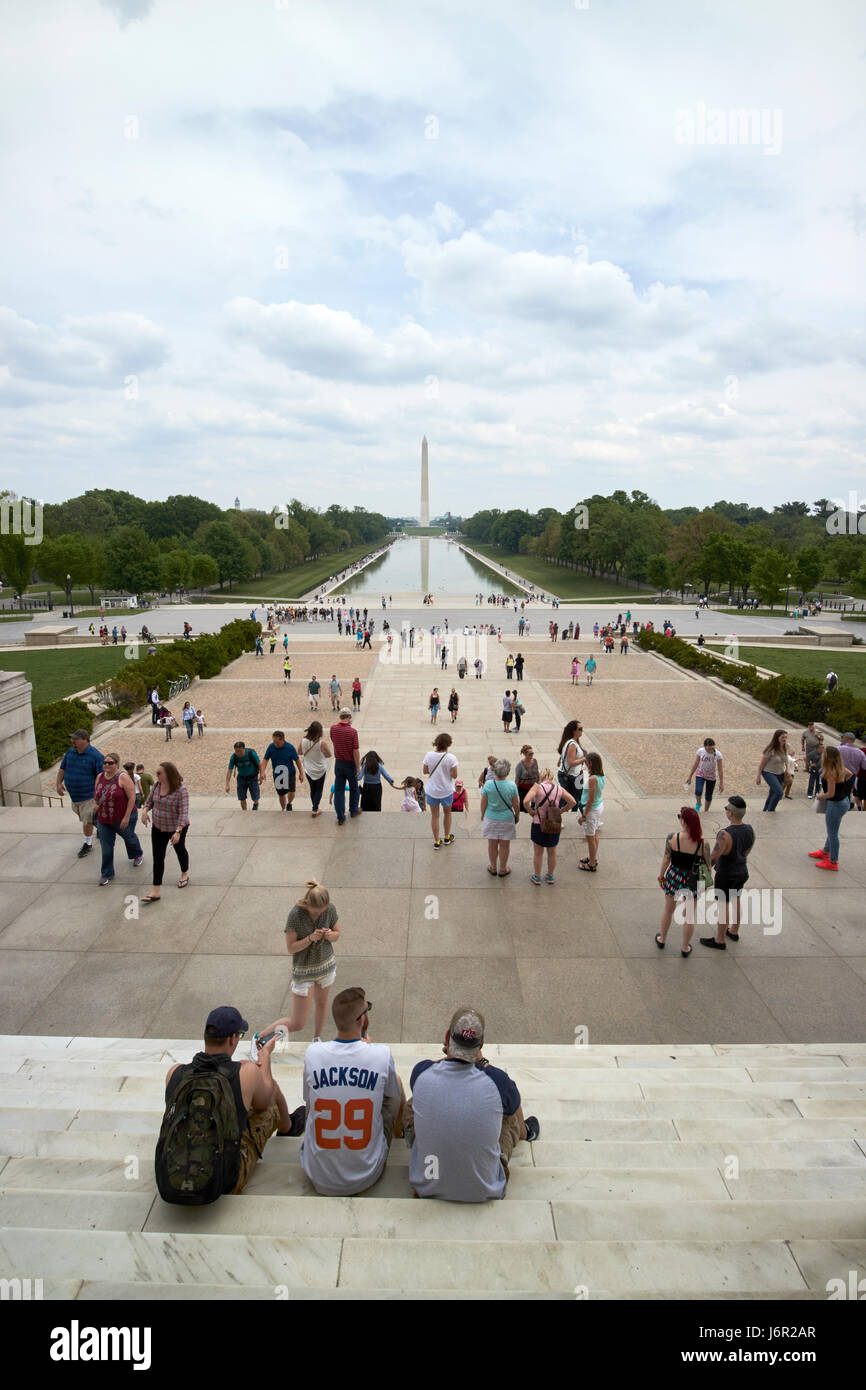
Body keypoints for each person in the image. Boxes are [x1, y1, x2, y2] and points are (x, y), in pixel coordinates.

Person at [157, 1007, 302, 1204]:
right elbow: (265, 1100)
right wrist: (265, 1059)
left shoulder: (174, 1073)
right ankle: (289, 1127)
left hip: (170, 1181)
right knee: (270, 1092)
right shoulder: (245, 1072)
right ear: (233, 1039)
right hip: (222, 1182)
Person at [405, 1007, 539, 1201]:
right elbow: (510, 1098)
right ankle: (525, 1131)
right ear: (480, 1045)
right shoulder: (497, 1082)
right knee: (509, 1115)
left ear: (446, 1037)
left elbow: (437, 1068)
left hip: (427, 1184)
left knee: (415, 1101)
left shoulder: (422, 1072)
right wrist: (482, 1061)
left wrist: (450, 1054)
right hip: (484, 1189)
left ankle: (409, 1138)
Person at [295, 988, 404, 1196]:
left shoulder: (313, 1053)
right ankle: (398, 1138)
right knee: (395, 1084)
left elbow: (307, 1099)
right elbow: (390, 1095)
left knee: (314, 1094)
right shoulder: (381, 1054)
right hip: (367, 1174)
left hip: (317, 1175)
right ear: (361, 1020)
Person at [267, 881, 341, 1041]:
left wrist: (330, 935)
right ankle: (260, 1037)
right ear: (309, 904)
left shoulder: (329, 909)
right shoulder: (295, 915)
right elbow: (291, 948)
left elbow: (337, 933)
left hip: (325, 966)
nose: (320, 913)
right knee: (298, 1022)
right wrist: (310, 938)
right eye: (317, 910)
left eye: (323, 909)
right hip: (304, 972)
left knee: (322, 1003)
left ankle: (317, 1038)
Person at [700, 796, 755, 949]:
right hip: (742, 871)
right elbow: (747, 851)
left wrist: (704, 871)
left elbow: (714, 858)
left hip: (726, 873)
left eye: (726, 808)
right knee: (736, 899)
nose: (725, 810)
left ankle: (719, 939)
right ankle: (734, 931)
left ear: (730, 813)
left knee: (723, 904)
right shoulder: (750, 829)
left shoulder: (724, 834)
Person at [655, 807, 710, 957]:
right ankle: (685, 947)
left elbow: (666, 859)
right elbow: (708, 868)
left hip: (674, 876)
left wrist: (661, 876)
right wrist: (703, 887)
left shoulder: (673, 838)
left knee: (668, 910)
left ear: (683, 821)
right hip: (692, 880)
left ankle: (662, 939)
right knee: (689, 916)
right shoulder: (703, 844)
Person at [140, 761, 190, 901]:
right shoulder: (156, 786)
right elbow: (149, 802)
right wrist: (144, 812)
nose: (156, 775)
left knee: (180, 850)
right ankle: (155, 890)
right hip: (158, 827)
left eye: (159, 773)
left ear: (168, 774)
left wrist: (178, 831)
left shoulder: (181, 790)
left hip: (176, 828)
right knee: (158, 857)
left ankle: (184, 873)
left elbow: (183, 812)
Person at [93, 752, 144, 886]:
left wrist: (126, 817)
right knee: (106, 847)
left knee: (129, 838)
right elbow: (96, 794)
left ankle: (136, 854)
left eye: (110, 763)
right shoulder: (100, 776)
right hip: (104, 820)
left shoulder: (123, 778)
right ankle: (106, 873)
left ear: (117, 764)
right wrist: (95, 804)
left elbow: (132, 797)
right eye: (105, 763)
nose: (107, 765)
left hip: (122, 817)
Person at [56, 728, 104, 859]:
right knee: (86, 817)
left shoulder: (95, 756)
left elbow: (102, 776)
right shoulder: (70, 753)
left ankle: (87, 844)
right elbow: (62, 768)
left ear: (85, 740)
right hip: (75, 797)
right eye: (72, 738)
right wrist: (58, 784)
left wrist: (98, 795)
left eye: (76, 739)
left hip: (89, 796)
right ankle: (101, 826)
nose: (73, 741)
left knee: (86, 820)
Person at [525, 766, 574, 884]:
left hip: (539, 823)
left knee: (538, 852)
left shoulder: (537, 787)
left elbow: (526, 801)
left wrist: (531, 811)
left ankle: (537, 877)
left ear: (541, 777)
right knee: (552, 852)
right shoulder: (559, 788)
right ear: (551, 777)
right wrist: (562, 810)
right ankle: (550, 876)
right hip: (554, 823)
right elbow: (572, 802)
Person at [812, 746, 855, 871]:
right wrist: (844, 788)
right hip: (844, 801)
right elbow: (850, 774)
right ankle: (825, 851)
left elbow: (830, 794)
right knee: (833, 829)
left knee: (832, 833)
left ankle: (833, 861)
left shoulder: (830, 773)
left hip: (835, 804)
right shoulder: (840, 768)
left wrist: (820, 796)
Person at [480, 757, 519, 877]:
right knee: (504, 845)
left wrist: (482, 814)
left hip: (491, 818)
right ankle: (502, 868)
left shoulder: (488, 785)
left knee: (492, 844)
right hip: (506, 818)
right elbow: (516, 804)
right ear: (507, 772)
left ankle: (493, 866)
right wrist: (516, 815)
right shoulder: (512, 786)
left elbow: (483, 803)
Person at [423, 731, 459, 849]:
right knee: (447, 813)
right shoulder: (451, 758)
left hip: (432, 790)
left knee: (435, 816)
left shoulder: (429, 755)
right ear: (448, 744)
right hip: (446, 790)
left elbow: (425, 771)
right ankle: (447, 837)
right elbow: (454, 775)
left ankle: (437, 841)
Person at [261, 730, 305, 812]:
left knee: (291, 791)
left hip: (290, 773)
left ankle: (289, 803)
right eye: (274, 742)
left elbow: (297, 760)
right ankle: (283, 809)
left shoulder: (290, 748)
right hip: (278, 775)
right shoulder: (271, 747)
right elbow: (265, 759)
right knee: (281, 794)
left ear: (283, 740)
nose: (275, 744)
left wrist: (301, 773)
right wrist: (262, 772)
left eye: (277, 742)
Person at [330, 708, 361, 825]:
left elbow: (334, 741)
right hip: (350, 764)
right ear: (349, 717)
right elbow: (355, 751)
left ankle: (340, 816)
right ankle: (353, 810)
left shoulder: (333, 729)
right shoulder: (353, 732)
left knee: (338, 790)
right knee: (354, 788)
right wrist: (358, 767)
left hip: (339, 763)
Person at [577, 751, 605, 872]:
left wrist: (583, 815)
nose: (585, 765)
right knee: (594, 834)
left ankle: (592, 864)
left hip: (592, 810)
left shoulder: (593, 779)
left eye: (586, 763)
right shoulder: (601, 776)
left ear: (591, 764)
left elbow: (590, 799)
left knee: (590, 837)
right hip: (598, 807)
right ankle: (592, 857)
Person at [300, 720, 332, 817]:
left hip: (308, 769)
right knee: (319, 789)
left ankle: (315, 807)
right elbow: (329, 755)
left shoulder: (303, 741)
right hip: (320, 769)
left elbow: (299, 752)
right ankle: (315, 808)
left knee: (313, 789)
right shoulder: (322, 743)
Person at [686, 737, 724, 813]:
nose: (710, 750)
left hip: (711, 777)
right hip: (701, 774)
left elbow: (720, 769)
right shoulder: (701, 751)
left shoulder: (718, 754)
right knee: (698, 791)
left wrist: (721, 783)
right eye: (708, 749)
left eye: (711, 748)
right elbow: (696, 763)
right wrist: (690, 776)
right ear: (704, 747)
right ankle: (698, 803)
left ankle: (706, 810)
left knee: (708, 796)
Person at [756, 730, 788, 812]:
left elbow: (786, 758)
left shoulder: (785, 747)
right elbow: (761, 764)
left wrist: (787, 769)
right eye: (782, 737)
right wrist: (758, 776)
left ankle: (765, 810)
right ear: (777, 738)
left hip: (780, 773)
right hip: (768, 772)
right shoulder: (771, 749)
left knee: (772, 793)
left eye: (785, 737)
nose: (784, 739)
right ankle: (771, 810)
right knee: (779, 792)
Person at [557, 719, 586, 809]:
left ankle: (560, 816)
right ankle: (556, 817)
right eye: (580, 729)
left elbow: (563, 759)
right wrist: (585, 758)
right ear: (574, 731)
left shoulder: (571, 741)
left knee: (571, 798)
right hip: (572, 776)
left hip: (573, 774)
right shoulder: (572, 744)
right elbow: (571, 762)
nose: (582, 730)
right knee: (575, 798)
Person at [226, 740, 262, 811]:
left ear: (244, 749)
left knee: (255, 796)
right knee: (241, 797)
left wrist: (261, 775)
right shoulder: (234, 757)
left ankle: (255, 804)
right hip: (241, 778)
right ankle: (244, 812)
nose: (238, 753)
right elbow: (230, 771)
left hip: (252, 777)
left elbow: (260, 765)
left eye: (240, 751)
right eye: (236, 751)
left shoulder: (251, 754)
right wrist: (227, 784)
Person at [839, 731, 866, 811]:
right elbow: (864, 766)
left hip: (839, 773)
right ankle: (847, 807)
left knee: (839, 791)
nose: (842, 739)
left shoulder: (839, 749)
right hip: (852, 775)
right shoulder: (859, 752)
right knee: (847, 792)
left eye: (842, 738)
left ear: (847, 739)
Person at [802, 723, 825, 799]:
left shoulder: (817, 732)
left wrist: (817, 736)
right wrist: (809, 765)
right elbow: (806, 758)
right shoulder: (806, 732)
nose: (811, 727)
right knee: (812, 781)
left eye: (812, 726)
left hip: (820, 769)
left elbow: (822, 739)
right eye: (810, 726)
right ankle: (810, 793)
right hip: (814, 768)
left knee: (819, 782)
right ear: (808, 727)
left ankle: (817, 793)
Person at [514, 744, 539, 811]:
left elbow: (537, 773)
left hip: (533, 787)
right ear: (525, 754)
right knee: (523, 806)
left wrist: (539, 784)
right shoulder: (520, 765)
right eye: (530, 754)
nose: (532, 755)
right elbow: (517, 779)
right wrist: (515, 791)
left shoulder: (535, 761)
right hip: (523, 788)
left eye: (532, 753)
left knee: (535, 805)